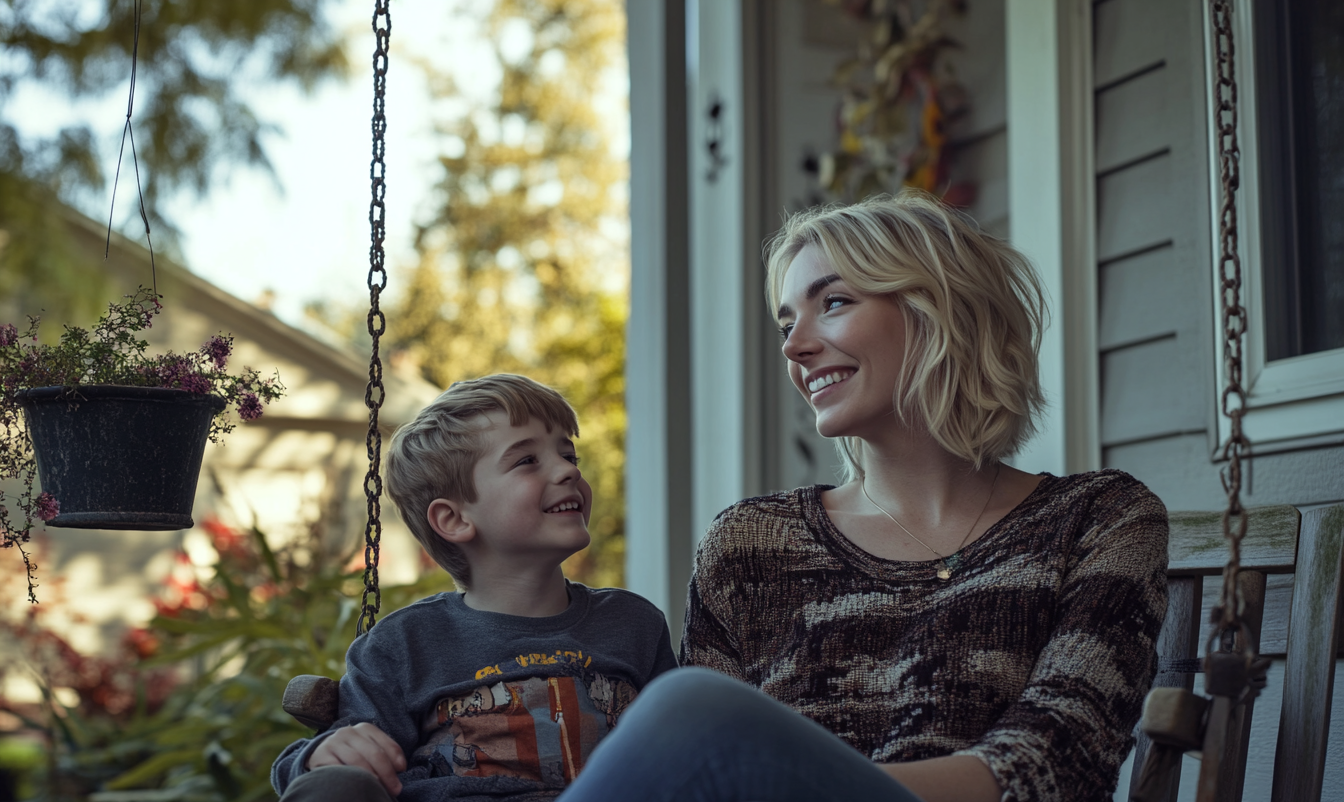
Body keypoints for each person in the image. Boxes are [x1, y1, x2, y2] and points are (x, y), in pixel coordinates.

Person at [558, 191, 1169, 802]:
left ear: (939, 309)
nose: (795, 347)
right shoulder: (750, 546)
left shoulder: (1097, 521)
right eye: (787, 323)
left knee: (688, 708)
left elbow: (1058, 763)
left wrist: (779, 781)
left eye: (834, 302)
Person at [270, 374, 679, 802]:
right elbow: (332, 764)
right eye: (527, 461)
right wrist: (324, 754)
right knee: (338, 784)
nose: (569, 470)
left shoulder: (633, 624)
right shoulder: (406, 644)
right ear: (455, 520)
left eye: (567, 453)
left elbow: (682, 753)